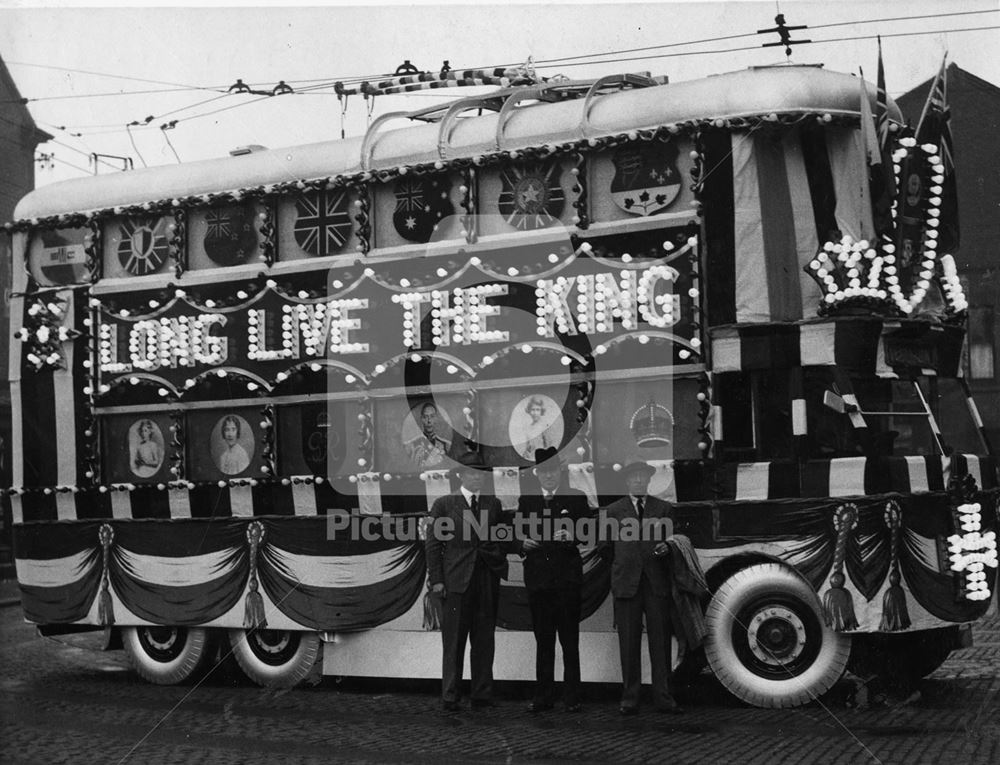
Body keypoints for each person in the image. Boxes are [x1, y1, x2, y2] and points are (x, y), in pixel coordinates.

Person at [425, 451, 508, 711]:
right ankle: (450, 695)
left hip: (485, 581)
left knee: (484, 641)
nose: (477, 477)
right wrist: (437, 580)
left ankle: (482, 693)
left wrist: (514, 549)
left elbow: (501, 537)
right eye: (472, 472)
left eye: (481, 473)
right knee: (454, 641)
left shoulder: (493, 504)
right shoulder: (444, 504)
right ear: (460, 475)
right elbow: (432, 545)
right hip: (455, 582)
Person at [599, 460, 682, 716]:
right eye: (633, 478)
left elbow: (676, 541)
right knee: (629, 644)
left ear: (648, 481)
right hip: (626, 585)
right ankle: (630, 698)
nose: (638, 481)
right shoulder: (613, 511)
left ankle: (663, 697)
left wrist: (668, 548)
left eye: (642, 478)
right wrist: (624, 565)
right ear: (626, 482)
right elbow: (605, 548)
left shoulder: (664, 509)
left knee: (660, 644)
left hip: (656, 584)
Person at [516, 447, 589, 713]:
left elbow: (590, 531)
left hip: (567, 583)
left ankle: (572, 697)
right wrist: (521, 543)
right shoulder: (527, 501)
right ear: (537, 473)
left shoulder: (577, 498)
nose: (548, 476)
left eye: (552, 470)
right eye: (543, 471)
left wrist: (574, 536)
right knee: (543, 641)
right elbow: (515, 533)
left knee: (570, 641)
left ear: (560, 471)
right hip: (539, 584)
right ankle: (543, 696)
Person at [406, 402, 451, 469]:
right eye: (425, 417)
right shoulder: (411, 446)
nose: (429, 421)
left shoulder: (446, 445)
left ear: (436, 418)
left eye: (432, 416)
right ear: (421, 419)